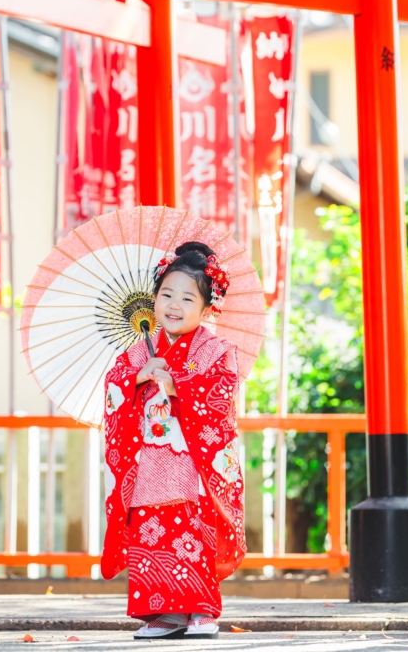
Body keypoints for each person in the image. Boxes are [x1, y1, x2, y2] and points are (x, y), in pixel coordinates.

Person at [101, 241, 246, 639]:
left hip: (194, 464)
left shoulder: (216, 350)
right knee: (153, 529)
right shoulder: (136, 354)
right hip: (150, 463)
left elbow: (221, 396)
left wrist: (178, 384)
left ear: (206, 307)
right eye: (166, 294)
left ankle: (200, 609)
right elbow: (114, 390)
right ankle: (164, 612)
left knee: (193, 532)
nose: (174, 305)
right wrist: (138, 377)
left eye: (187, 297)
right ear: (154, 299)